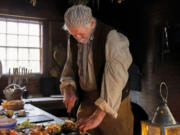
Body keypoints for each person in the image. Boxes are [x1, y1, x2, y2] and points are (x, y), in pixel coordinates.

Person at [60, 4, 134, 135]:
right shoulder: (74, 38)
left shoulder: (112, 38)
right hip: (87, 103)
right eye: (74, 34)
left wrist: (98, 115)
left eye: (81, 34)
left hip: (113, 105)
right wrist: (68, 89)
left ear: (92, 23)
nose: (78, 39)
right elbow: (70, 66)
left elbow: (116, 79)